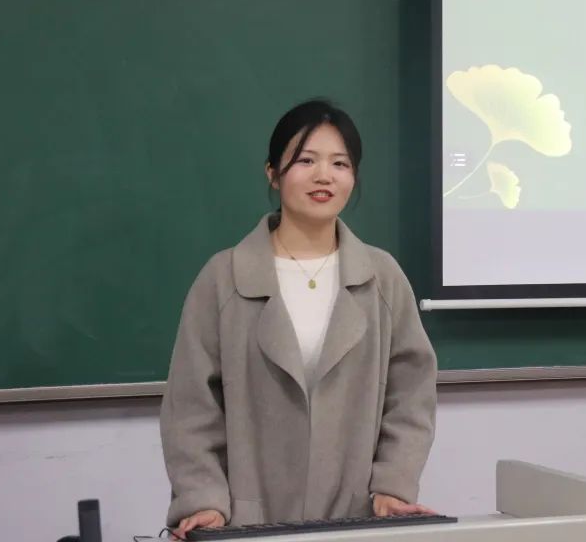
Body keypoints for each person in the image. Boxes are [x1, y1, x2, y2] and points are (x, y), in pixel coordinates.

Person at [160, 99, 438, 539]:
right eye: (306, 160)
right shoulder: (223, 278)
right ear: (273, 172)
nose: (324, 175)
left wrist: (393, 484)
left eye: (340, 163)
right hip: (246, 524)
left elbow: (411, 394)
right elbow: (190, 408)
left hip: (358, 521)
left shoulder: (381, 277)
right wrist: (204, 501)